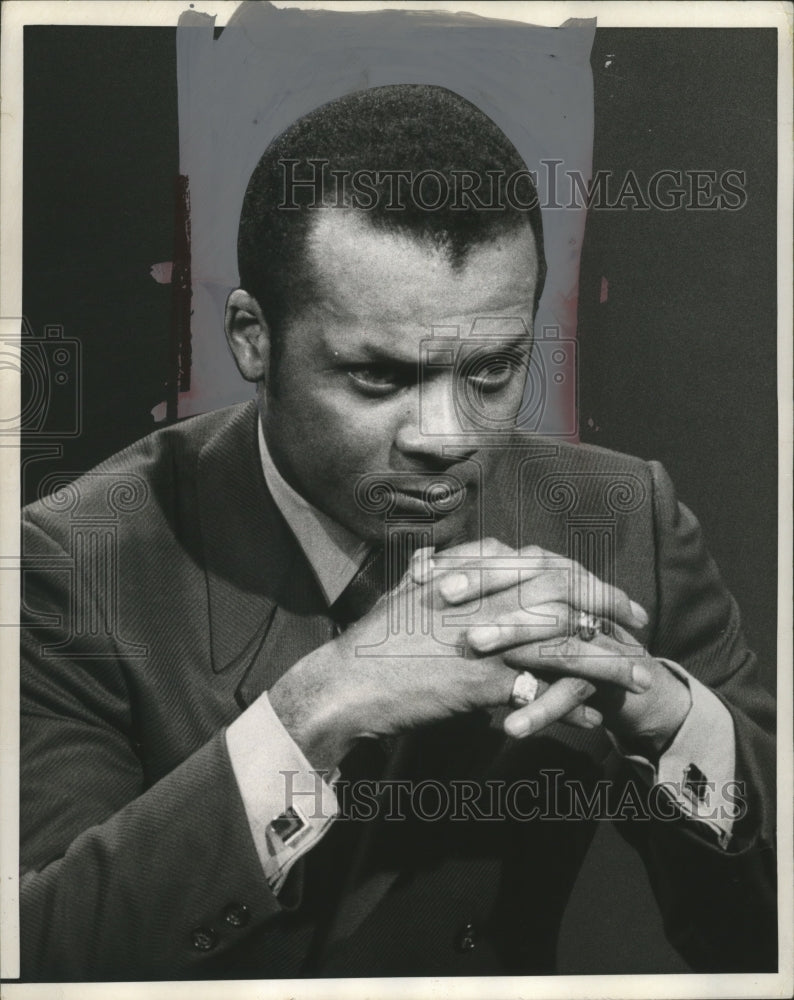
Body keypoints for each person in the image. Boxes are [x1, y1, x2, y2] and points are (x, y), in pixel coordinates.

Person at [19, 84, 776, 981]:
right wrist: (316, 710)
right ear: (253, 339)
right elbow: (39, 954)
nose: (447, 437)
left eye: (494, 371)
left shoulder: (620, 521)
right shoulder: (76, 564)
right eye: (378, 378)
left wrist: (677, 725)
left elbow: (767, 945)